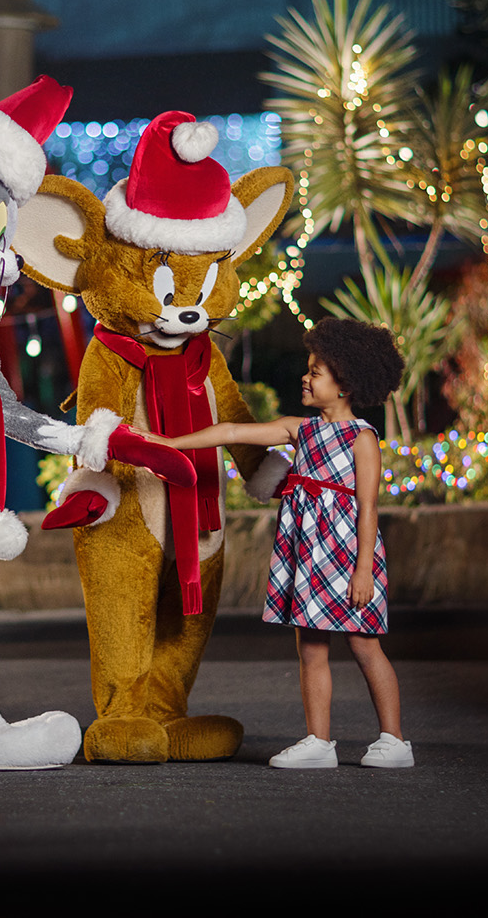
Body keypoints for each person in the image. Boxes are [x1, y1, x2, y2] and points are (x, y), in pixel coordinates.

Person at [161, 318, 411, 770]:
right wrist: (166, 443)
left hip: (347, 555)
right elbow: (232, 434)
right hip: (309, 553)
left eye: (316, 371)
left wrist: (363, 571)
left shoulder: (363, 439)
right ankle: (319, 740)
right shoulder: (301, 429)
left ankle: (394, 740)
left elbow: (368, 509)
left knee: (364, 645)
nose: (306, 376)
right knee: (311, 647)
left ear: (345, 385)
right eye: (309, 368)